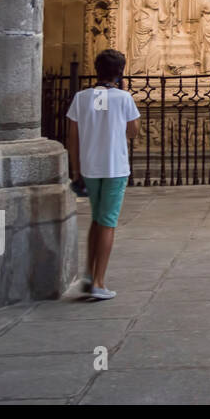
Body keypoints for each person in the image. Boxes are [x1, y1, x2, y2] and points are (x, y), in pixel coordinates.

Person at [66, 49, 141, 301]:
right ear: (120, 72)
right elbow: (133, 132)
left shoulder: (81, 97)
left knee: (97, 219)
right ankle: (99, 282)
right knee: (108, 222)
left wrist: (75, 170)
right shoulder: (123, 98)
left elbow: (73, 138)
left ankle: (88, 273)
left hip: (89, 168)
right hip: (114, 168)